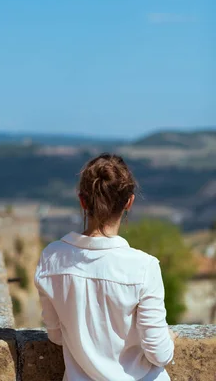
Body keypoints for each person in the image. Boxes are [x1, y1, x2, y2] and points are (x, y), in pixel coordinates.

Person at [35, 154, 176, 381]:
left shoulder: (51, 258)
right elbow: (159, 353)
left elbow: (56, 336)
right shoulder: (144, 267)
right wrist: (170, 340)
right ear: (129, 202)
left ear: (82, 201)